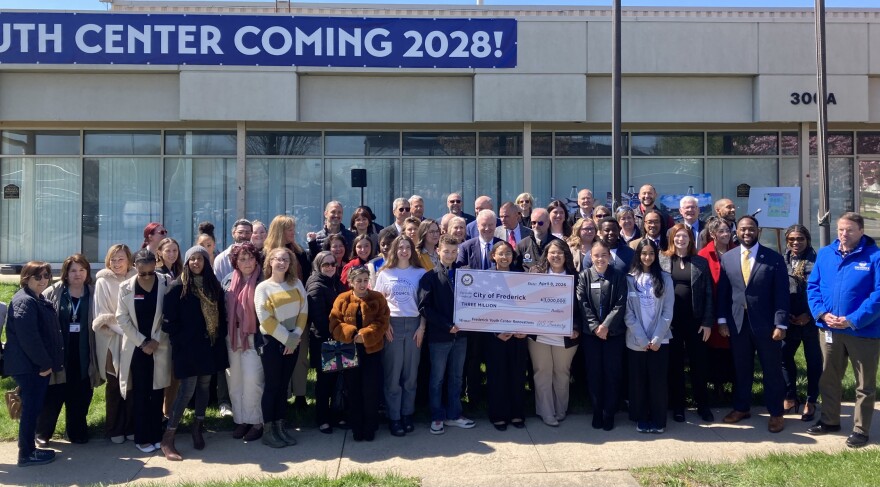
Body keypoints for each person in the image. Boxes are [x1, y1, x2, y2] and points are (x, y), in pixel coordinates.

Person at [806, 213, 880, 448]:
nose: (843, 234)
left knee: (864, 384)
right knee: (829, 377)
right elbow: (813, 286)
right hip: (829, 328)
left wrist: (852, 320)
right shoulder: (826, 253)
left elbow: (878, 295)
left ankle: (860, 428)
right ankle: (830, 420)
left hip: (863, 332)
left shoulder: (875, 256)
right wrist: (821, 314)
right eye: (840, 230)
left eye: (849, 230)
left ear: (861, 231)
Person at [717, 215, 789, 433]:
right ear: (735, 232)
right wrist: (722, 320)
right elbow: (723, 292)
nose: (746, 233)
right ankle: (741, 408)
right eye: (742, 229)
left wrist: (781, 324)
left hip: (767, 325)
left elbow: (782, 294)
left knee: (772, 370)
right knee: (742, 369)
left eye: (750, 229)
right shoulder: (728, 258)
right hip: (738, 323)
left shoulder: (774, 259)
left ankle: (776, 413)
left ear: (758, 231)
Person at [162, 246, 228, 459]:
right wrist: (182, 340)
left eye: (200, 259)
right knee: (186, 391)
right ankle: (169, 437)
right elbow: (168, 323)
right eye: (192, 259)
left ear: (206, 263)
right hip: (187, 349)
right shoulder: (177, 287)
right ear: (187, 262)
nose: (196, 263)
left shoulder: (214, 287)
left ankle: (197, 427)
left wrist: (217, 337)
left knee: (205, 387)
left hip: (208, 347)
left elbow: (222, 315)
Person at [36, 254, 101, 446]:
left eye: (82, 270)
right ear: (66, 272)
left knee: (81, 394)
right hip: (59, 354)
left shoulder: (94, 292)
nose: (77, 274)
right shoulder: (53, 292)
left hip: (84, 353)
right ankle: (42, 432)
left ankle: (76, 431)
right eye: (73, 270)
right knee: (53, 396)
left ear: (87, 272)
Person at [4, 262, 63, 467]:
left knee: (33, 409)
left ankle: (29, 450)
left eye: (46, 275)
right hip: (30, 367)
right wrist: (44, 364)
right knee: (30, 410)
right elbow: (29, 338)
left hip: (34, 366)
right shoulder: (24, 301)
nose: (43, 280)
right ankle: (26, 454)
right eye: (37, 277)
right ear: (26, 278)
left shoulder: (37, 298)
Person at [116, 249, 173, 454]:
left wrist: (155, 340)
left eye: (150, 272)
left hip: (159, 346)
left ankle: (156, 434)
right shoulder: (125, 288)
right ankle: (142, 437)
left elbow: (169, 313)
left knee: (157, 391)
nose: (147, 277)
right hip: (137, 347)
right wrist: (142, 342)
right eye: (142, 273)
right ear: (134, 268)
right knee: (141, 393)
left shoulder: (166, 283)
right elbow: (122, 318)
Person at [419, 235, 475, 435]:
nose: (450, 255)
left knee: (457, 377)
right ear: (438, 251)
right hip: (440, 337)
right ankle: (437, 416)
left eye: (454, 251)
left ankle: (454, 414)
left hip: (461, 335)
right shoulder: (430, 277)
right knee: (437, 379)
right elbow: (424, 308)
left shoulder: (465, 275)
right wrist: (446, 325)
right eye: (446, 251)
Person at [659, 223, 715, 423]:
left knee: (699, 366)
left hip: (696, 322)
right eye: (677, 236)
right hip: (670, 323)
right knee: (675, 367)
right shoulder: (663, 260)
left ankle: (703, 406)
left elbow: (709, 293)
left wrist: (708, 322)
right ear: (671, 239)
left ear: (691, 239)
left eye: (685, 236)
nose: (680, 240)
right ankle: (678, 407)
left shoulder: (700, 262)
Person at [329, 266, 391, 442]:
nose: (363, 284)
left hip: (372, 350)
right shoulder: (342, 299)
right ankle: (356, 425)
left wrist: (366, 336)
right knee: (353, 389)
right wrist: (351, 334)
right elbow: (334, 323)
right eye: (359, 281)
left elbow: (383, 321)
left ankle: (370, 426)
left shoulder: (377, 298)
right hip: (349, 351)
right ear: (351, 282)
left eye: (365, 280)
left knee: (370, 390)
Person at [255, 247, 308, 448]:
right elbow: (265, 319)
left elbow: (303, 312)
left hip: (293, 341)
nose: (282, 263)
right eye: (278, 259)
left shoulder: (297, 284)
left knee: (283, 386)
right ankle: (268, 430)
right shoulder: (263, 288)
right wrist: (288, 340)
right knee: (272, 386)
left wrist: (294, 337)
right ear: (270, 262)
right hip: (273, 343)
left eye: (286, 259)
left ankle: (280, 426)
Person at [373, 235, 426, 437]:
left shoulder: (421, 273)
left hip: (414, 325)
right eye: (400, 247)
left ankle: (407, 414)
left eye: (407, 247)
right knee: (393, 375)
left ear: (412, 250)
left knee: (410, 375)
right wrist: (384, 325)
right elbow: (378, 303)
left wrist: (422, 328)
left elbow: (425, 305)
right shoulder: (385, 273)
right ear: (394, 250)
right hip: (393, 325)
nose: (404, 251)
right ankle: (394, 417)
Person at [527, 239, 581, 427]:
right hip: (539, 335)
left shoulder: (576, 277)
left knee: (561, 373)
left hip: (566, 336)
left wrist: (576, 328)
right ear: (546, 256)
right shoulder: (535, 274)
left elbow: (582, 307)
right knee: (542, 372)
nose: (556, 256)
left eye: (560, 252)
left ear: (566, 255)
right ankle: (546, 412)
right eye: (552, 253)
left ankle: (560, 410)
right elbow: (526, 302)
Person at [624, 239, 675, 434]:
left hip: (659, 340)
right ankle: (641, 418)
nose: (647, 257)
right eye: (643, 253)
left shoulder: (665, 278)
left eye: (651, 253)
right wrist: (642, 338)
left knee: (658, 382)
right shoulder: (630, 279)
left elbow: (668, 311)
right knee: (638, 382)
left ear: (656, 256)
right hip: (636, 340)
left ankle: (658, 420)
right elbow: (628, 313)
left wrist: (655, 338)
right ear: (638, 255)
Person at [577, 240, 627, 431]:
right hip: (591, 335)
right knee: (594, 374)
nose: (600, 259)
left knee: (612, 374)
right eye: (596, 255)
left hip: (613, 334)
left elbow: (621, 304)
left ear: (610, 256)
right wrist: (595, 327)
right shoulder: (584, 276)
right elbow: (582, 303)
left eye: (603, 255)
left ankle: (609, 413)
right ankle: (597, 411)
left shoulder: (619, 276)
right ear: (590, 257)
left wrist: (606, 326)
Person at [92, 244, 137, 445]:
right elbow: (103, 315)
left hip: (134, 340)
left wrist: (135, 336)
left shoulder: (136, 278)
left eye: (120, 259)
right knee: (114, 383)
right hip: (112, 339)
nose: (116, 263)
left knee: (132, 384)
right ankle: (113, 428)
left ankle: (130, 426)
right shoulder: (103, 281)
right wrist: (129, 333)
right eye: (113, 259)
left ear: (128, 260)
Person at [222, 242, 265, 443]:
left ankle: (256, 421)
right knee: (235, 380)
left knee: (252, 379)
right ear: (235, 262)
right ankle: (241, 420)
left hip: (254, 337)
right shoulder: (227, 281)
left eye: (250, 258)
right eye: (242, 258)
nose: (247, 262)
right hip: (232, 336)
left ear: (256, 259)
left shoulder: (263, 280)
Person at [484, 241, 528, 431]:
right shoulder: (485, 278)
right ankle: (498, 415)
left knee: (517, 375)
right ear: (493, 255)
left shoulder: (522, 277)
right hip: (495, 337)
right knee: (497, 376)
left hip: (518, 335)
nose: (504, 257)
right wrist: (496, 332)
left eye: (508, 253)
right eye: (500, 253)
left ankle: (517, 413)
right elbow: (481, 309)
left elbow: (529, 306)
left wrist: (525, 328)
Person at [780, 224, 821, 422]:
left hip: (811, 320)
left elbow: (823, 291)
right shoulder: (781, 261)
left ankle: (811, 400)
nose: (796, 243)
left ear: (808, 240)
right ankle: (790, 396)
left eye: (800, 239)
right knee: (784, 357)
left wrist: (809, 315)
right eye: (792, 239)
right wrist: (784, 314)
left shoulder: (818, 260)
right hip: (789, 320)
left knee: (813, 361)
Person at [306, 251, 345, 434]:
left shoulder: (337, 283)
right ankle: (323, 418)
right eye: (325, 264)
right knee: (325, 382)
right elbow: (319, 318)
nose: (330, 267)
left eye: (332, 264)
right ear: (318, 266)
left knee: (339, 379)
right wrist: (338, 332)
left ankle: (337, 415)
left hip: (340, 339)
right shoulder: (316, 285)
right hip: (325, 341)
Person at [698, 217, 737, 397]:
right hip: (711, 310)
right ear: (713, 234)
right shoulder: (704, 255)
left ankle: (733, 385)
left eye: (728, 231)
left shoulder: (736, 251)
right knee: (714, 350)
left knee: (732, 348)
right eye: (721, 231)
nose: (726, 235)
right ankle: (716, 386)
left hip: (733, 308)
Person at [265, 214, 312, 282]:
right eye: (290, 230)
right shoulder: (268, 253)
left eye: (293, 229)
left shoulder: (298, 251)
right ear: (280, 232)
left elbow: (308, 270)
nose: (294, 233)